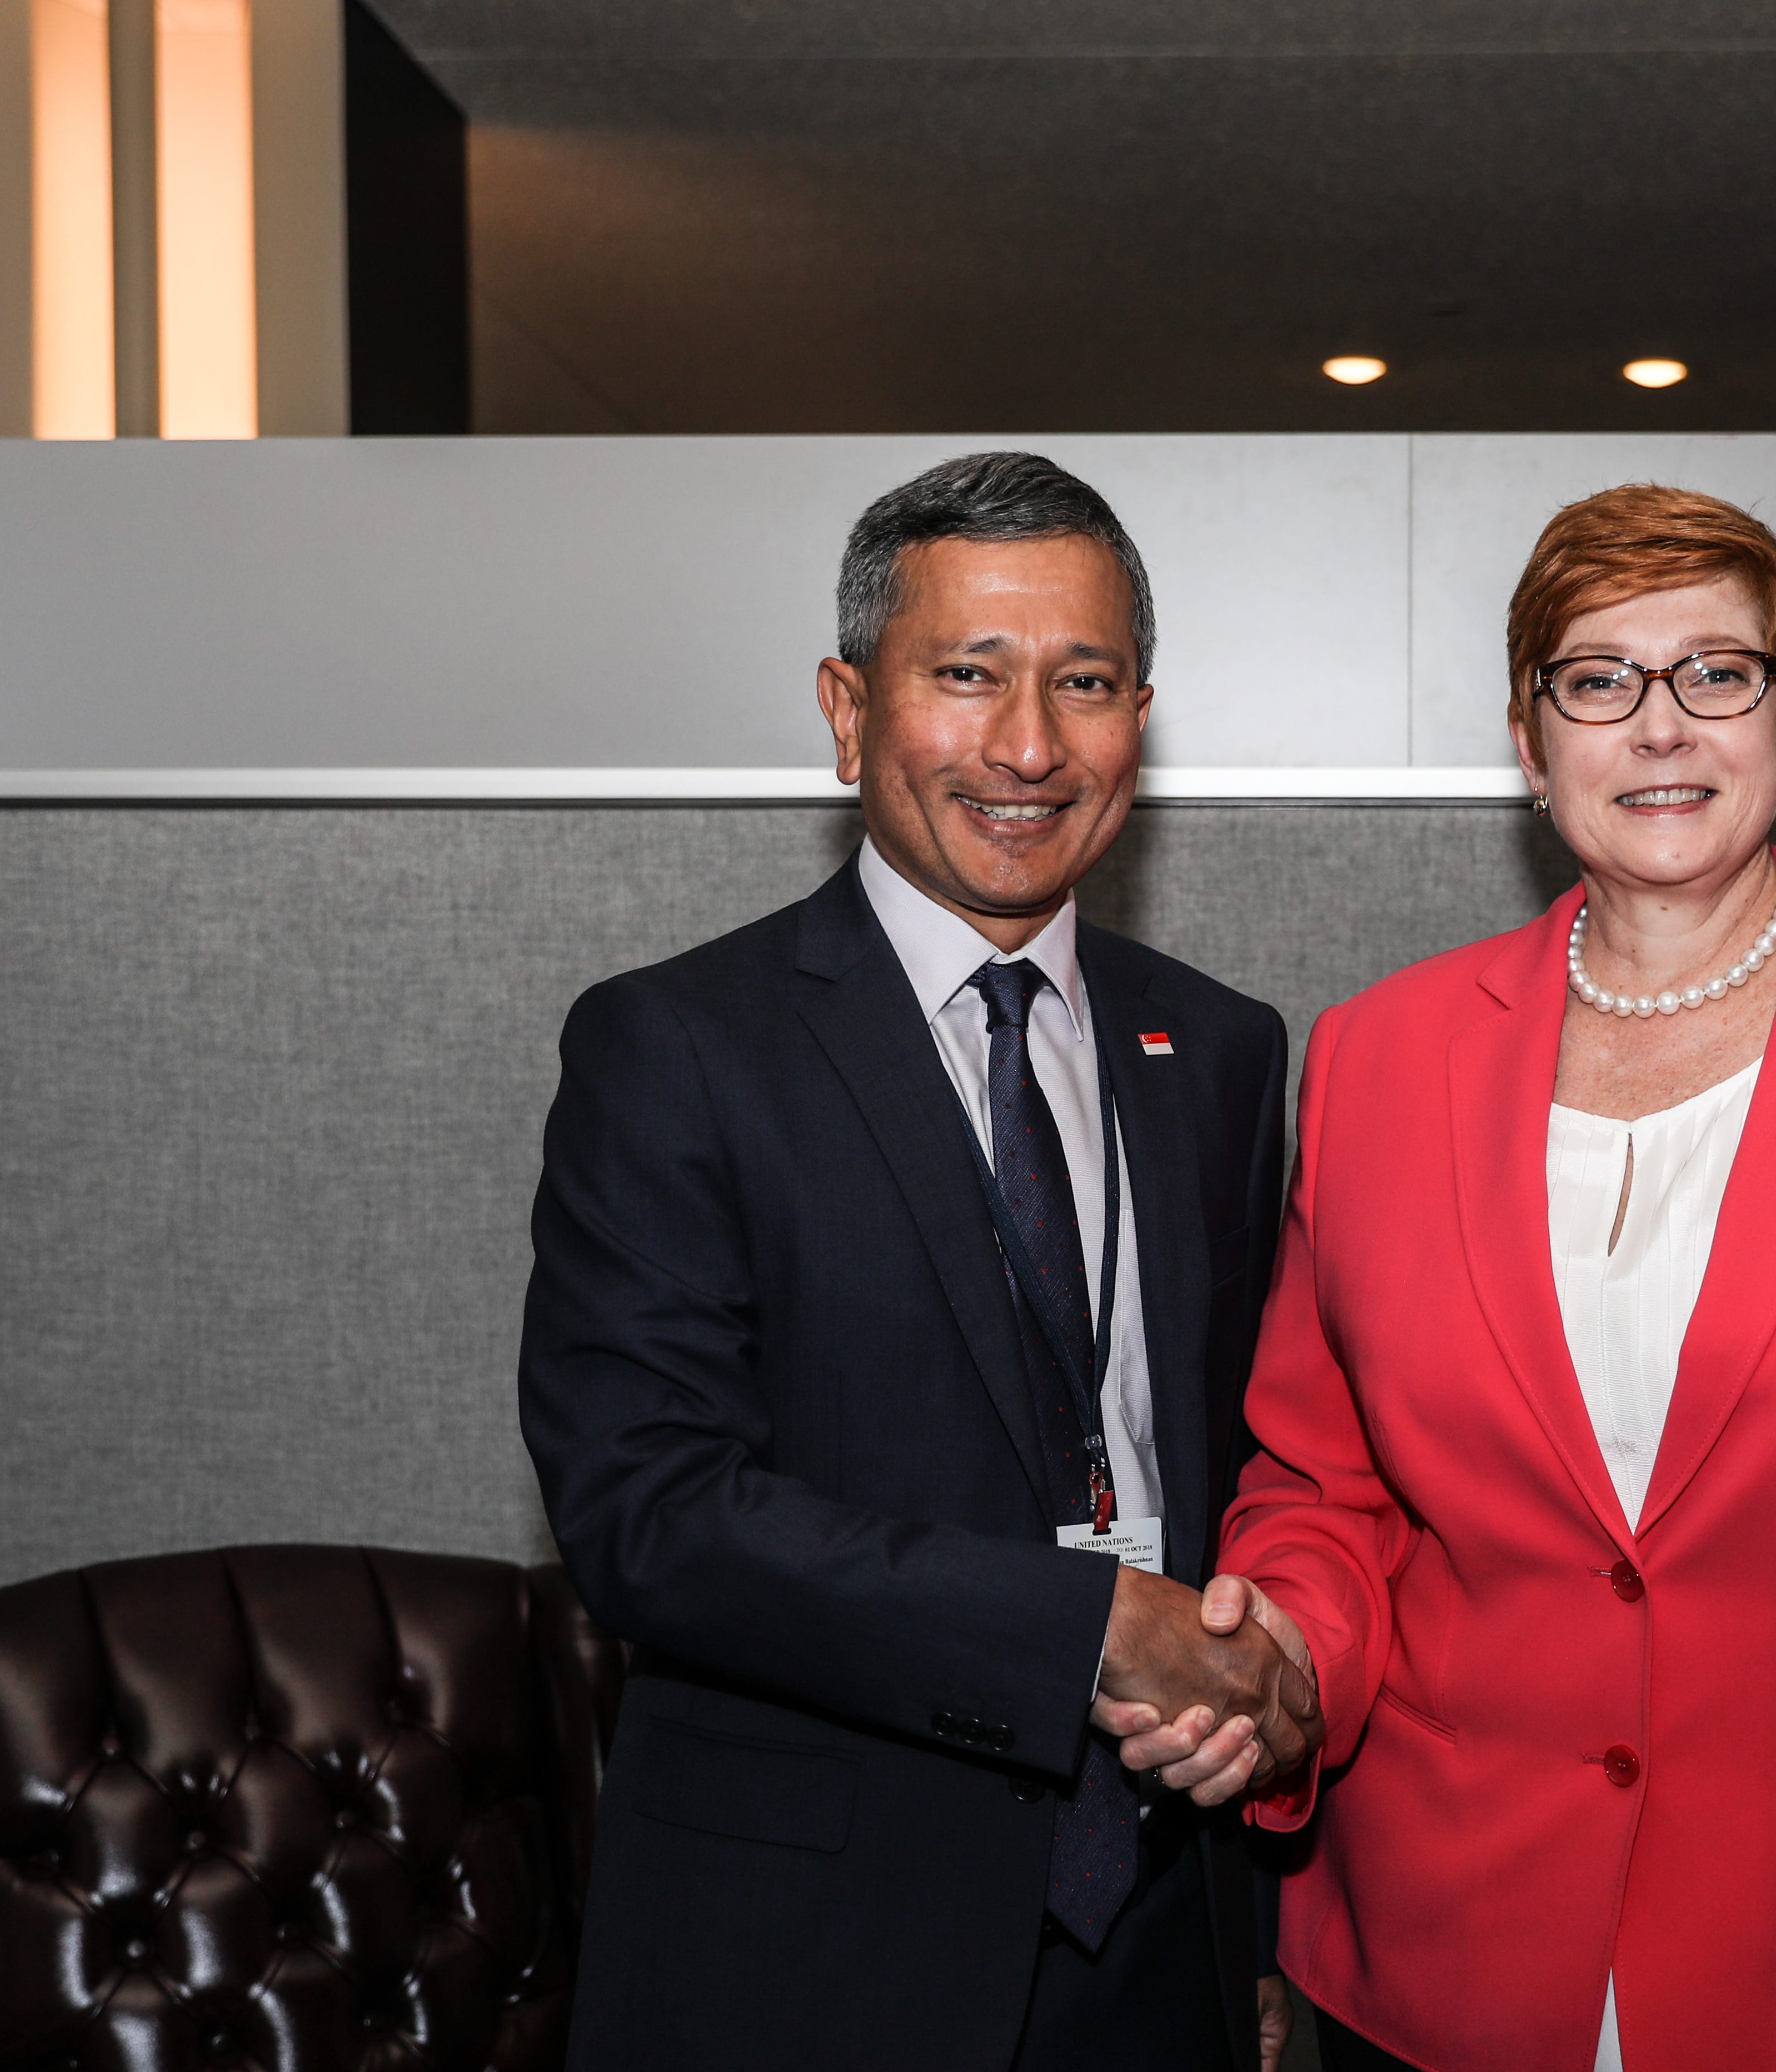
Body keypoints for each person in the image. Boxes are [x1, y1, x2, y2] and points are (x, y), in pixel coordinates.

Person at [1123, 484, 1776, 2070]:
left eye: (1719, 673)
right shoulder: (1379, 1058)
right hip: (1447, 1956)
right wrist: (1283, 1656)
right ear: (1529, 740)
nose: (1661, 724)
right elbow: (1323, 1488)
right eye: (1598, 678)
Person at [520, 452, 1318, 2072]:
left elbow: (1247, 1469)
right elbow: (647, 1512)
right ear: (846, 707)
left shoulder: (1219, 1050)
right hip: (813, 1959)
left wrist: (1259, 1847)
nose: (1028, 746)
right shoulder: (680, 1046)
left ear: (1139, 719)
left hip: (1163, 1940)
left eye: (1083, 682)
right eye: (968, 674)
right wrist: (1083, 1624)